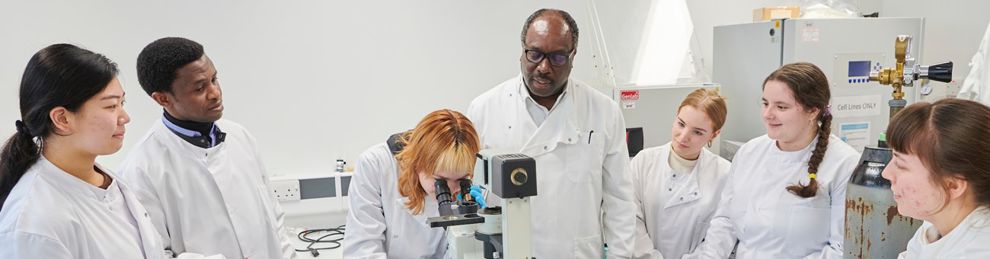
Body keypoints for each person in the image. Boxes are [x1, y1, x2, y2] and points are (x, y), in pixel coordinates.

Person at [466, 8, 636, 258]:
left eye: (557, 57)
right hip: (509, 250)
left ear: (573, 55)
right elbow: (468, 192)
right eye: (534, 54)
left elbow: (619, 200)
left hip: (575, 251)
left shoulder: (604, 112)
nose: (544, 67)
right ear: (522, 51)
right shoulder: (484, 109)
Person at [117, 37, 294, 258]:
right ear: (162, 99)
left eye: (214, 79)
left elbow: (274, 220)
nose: (215, 93)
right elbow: (155, 254)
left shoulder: (240, 136)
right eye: (200, 88)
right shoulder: (141, 170)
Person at [0, 44, 175, 258]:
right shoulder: (34, 224)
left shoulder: (107, 182)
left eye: (122, 102)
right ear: (62, 119)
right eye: (111, 106)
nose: (125, 117)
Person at [685, 62, 860, 258]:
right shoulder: (750, 153)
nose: (768, 114)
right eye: (765, 103)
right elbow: (725, 221)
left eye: (781, 107)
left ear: (813, 111)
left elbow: (841, 250)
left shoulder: (844, 164)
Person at [342, 109, 481, 258]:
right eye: (442, 181)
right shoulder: (375, 165)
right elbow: (362, 249)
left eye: (462, 180)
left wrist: (476, 227)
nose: (453, 189)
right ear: (417, 163)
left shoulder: (475, 178)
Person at [881, 98, 990, 258]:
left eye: (901, 165)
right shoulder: (937, 225)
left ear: (952, 185)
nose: (886, 173)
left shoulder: (978, 250)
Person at [630, 88, 730, 259]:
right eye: (681, 124)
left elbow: (721, 234)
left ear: (714, 134)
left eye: (697, 132)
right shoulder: (644, 162)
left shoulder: (724, 174)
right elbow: (630, 219)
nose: (683, 137)